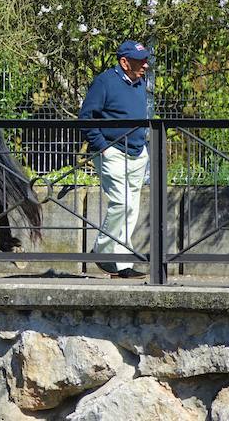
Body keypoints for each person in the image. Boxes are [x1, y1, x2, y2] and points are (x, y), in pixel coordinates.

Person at [78, 40, 151, 279]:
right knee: (121, 203)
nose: (146, 65)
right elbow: (86, 117)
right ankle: (102, 251)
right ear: (124, 62)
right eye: (141, 61)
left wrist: (143, 146)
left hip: (137, 152)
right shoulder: (105, 82)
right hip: (113, 152)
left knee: (131, 207)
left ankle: (120, 262)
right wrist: (102, 148)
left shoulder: (140, 81)